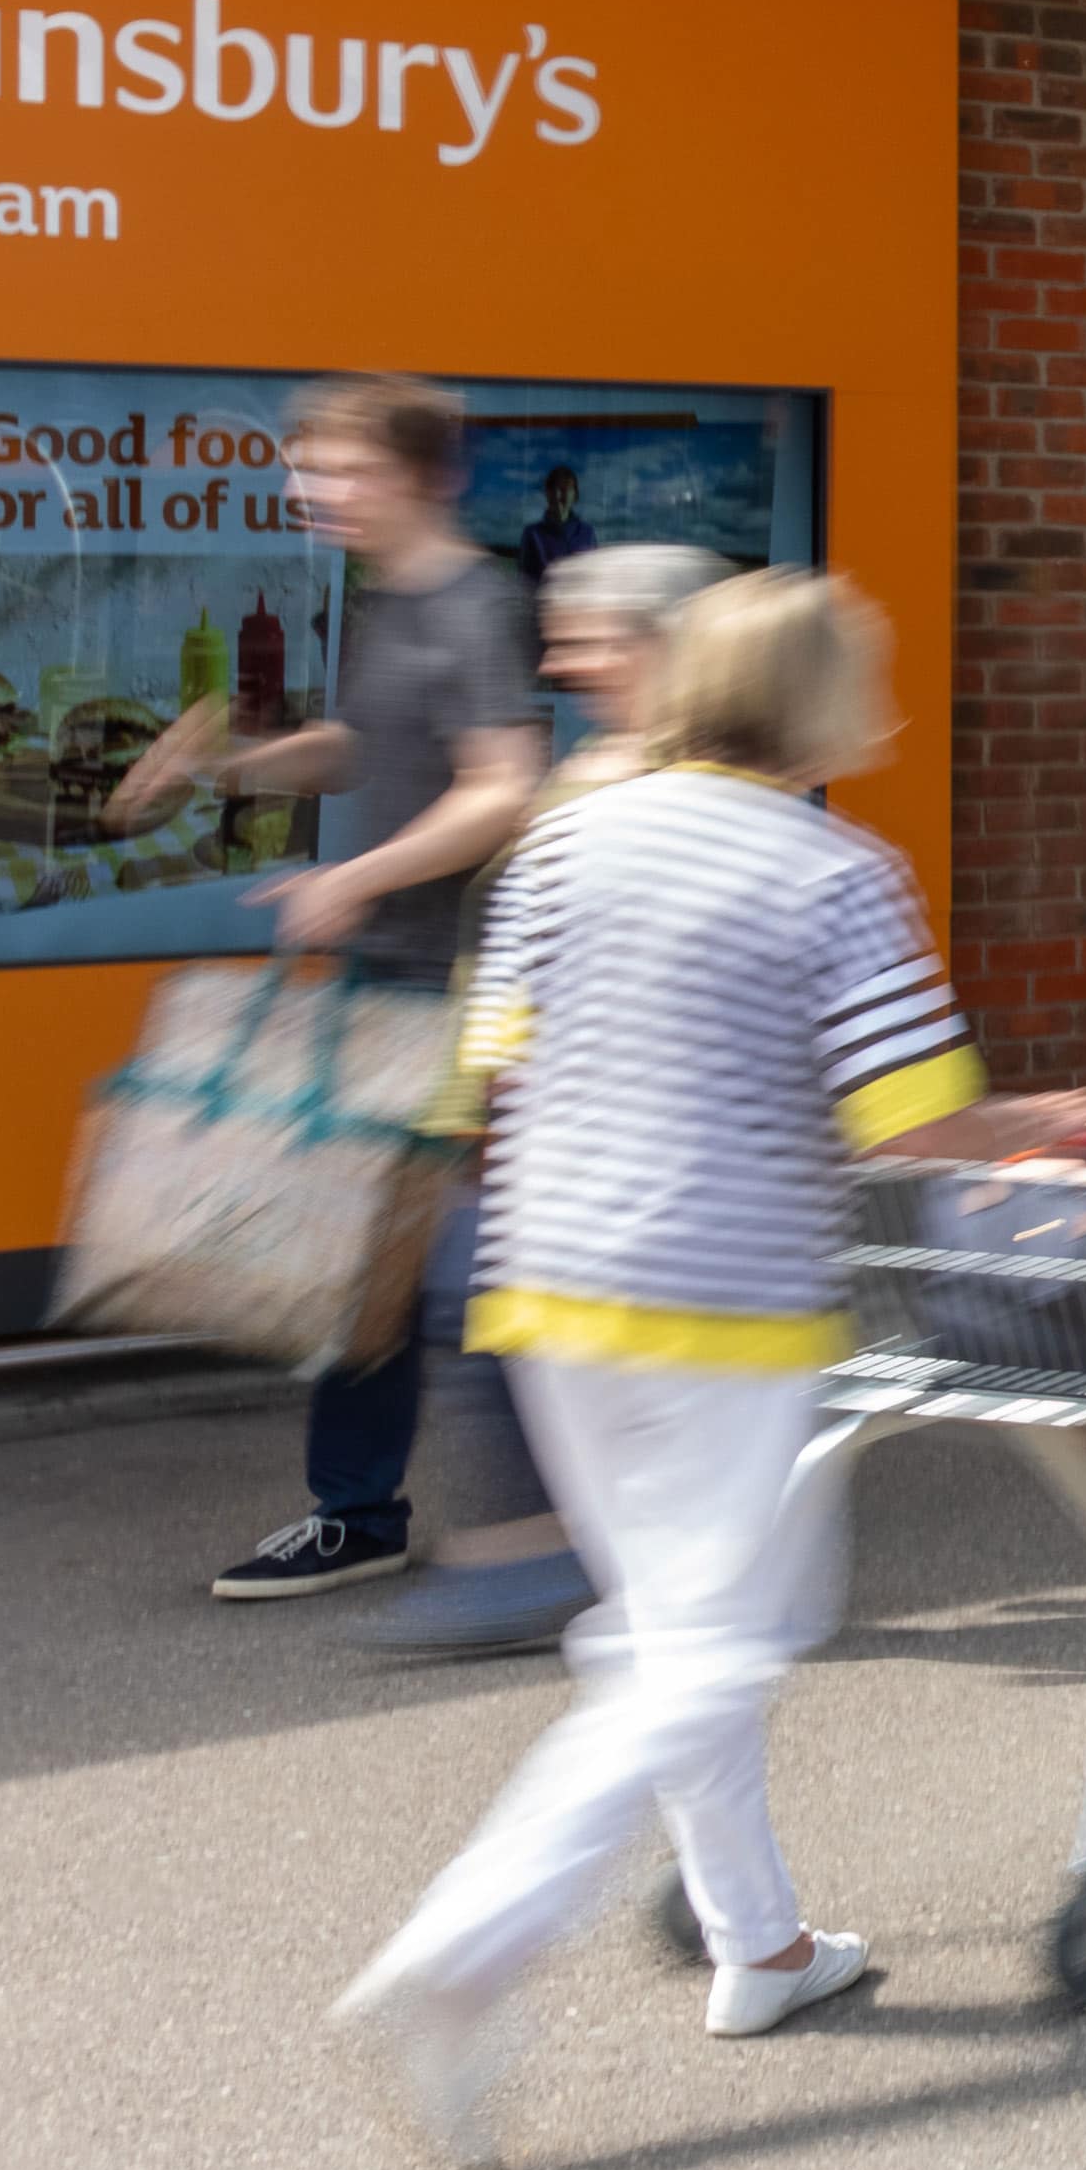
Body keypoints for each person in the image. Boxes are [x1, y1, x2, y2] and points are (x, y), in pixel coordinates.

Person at [327, 571, 1086, 2163]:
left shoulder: (561, 839)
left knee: (675, 1636)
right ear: (813, 702)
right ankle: (467, 1948)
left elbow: (491, 1071)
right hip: (722, 1305)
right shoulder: (836, 872)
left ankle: (760, 1948)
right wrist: (1048, 1126)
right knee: (718, 1647)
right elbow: (905, 1123)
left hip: (550, 1293)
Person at [107, 375, 549, 1602]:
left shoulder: (476, 599)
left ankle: (537, 1519)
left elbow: (503, 783)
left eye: (339, 471)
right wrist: (233, 765)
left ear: (420, 475)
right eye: (308, 472)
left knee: (452, 1262)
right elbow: (367, 743)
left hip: (463, 983)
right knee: (374, 1257)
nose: (313, 492)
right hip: (391, 976)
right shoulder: (391, 597)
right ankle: (364, 1513)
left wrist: (356, 874)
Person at [345, 544, 733, 1662]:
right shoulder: (608, 767)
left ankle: (548, 1560)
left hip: (587, 1125)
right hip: (536, 1111)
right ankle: (559, 1552)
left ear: (657, 643)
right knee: (479, 1311)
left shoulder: (657, 782)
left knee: (483, 1307)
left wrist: (495, 1103)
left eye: (581, 635)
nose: (556, 658)